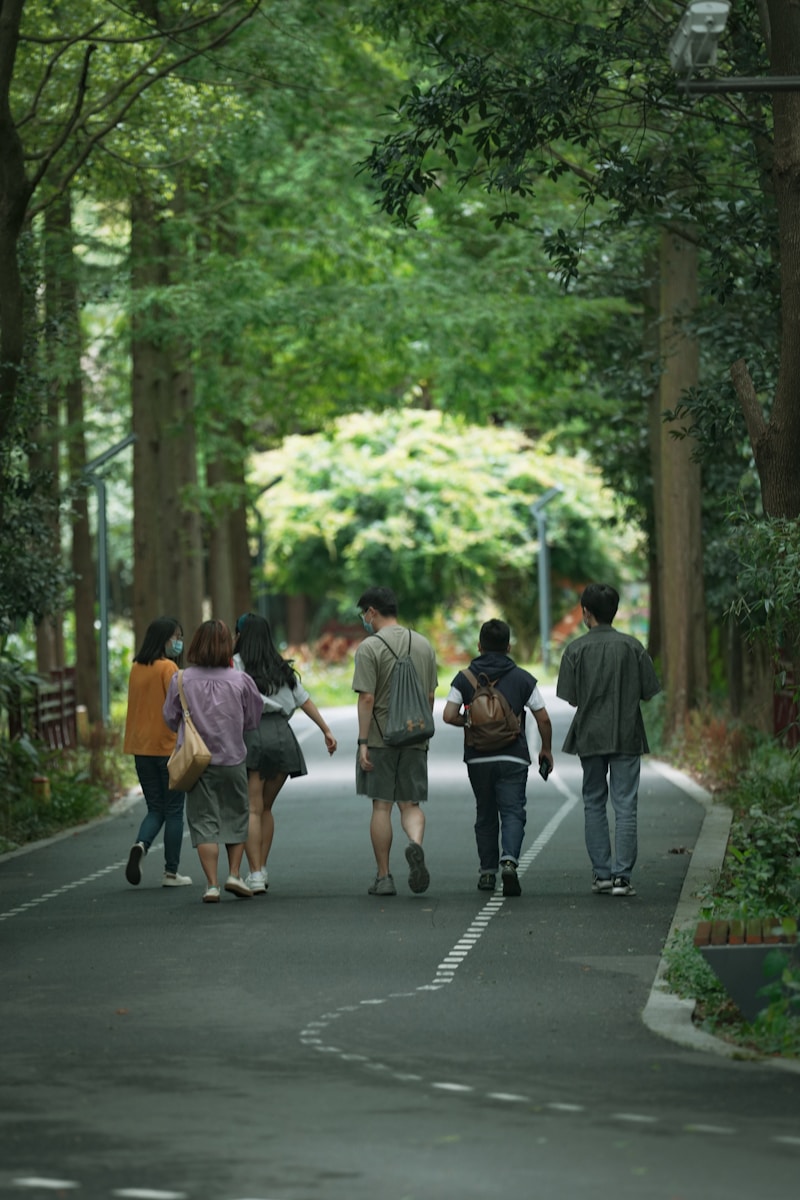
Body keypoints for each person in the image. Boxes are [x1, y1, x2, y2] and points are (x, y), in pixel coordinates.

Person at [556, 582, 661, 897]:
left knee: (594, 802)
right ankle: (622, 878)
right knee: (625, 804)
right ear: (614, 612)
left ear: (586, 613)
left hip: (590, 736)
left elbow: (571, 697)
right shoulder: (633, 647)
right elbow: (649, 692)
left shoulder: (575, 650)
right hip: (627, 734)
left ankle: (601, 875)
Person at [443, 618, 554, 896]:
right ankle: (509, 861)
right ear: (508, 647)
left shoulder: (464, 678)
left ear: (479, 646)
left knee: (485, 812)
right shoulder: (522, 678)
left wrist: (471, 721)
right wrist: (546, 749)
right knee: (513, 810)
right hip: (513, 756)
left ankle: (487, 873)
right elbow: (543, 719)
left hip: (478, 757)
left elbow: (448, 715)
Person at [232, 612, 338, 894]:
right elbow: (304, 700)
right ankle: (262, 869)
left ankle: (255, 873)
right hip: (282, 736)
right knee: (266, 808)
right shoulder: (280, 667)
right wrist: (326, 730)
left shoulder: (236, 664)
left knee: (252, 809)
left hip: (252, 735)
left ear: (240, 635)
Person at [162, 619, 264, 903]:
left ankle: (211, 885)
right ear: (227, 646)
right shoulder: (241, 680)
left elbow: (170, 717)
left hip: (197, 763)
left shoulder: (181, 679)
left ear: (195, 645)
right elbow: (253, 718)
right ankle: (234, 874)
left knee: (204, 821)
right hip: (233, 758)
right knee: (236, 816)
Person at [352, 586, 438, 897]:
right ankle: (415, 844)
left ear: (372, 611)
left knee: (381, 806)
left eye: (364, 614)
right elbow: (430, 696)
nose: (364, 619)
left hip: (380, 739)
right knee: (410, 804)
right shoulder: (424, 644)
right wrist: (420, 730)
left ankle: (384, 877)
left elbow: (367, 698)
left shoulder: (369, 648)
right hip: (415, 735)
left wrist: (363, 742)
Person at [122, 615, 193, 889]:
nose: (179, 642)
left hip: (141, 750)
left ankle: (141, 844)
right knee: (174, 810)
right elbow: (179, 707)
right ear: (163, 639)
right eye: (176, 637)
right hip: (167, 748)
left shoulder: (136, 667)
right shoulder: (168, 668)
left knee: (155, 808)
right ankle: (171, 873)